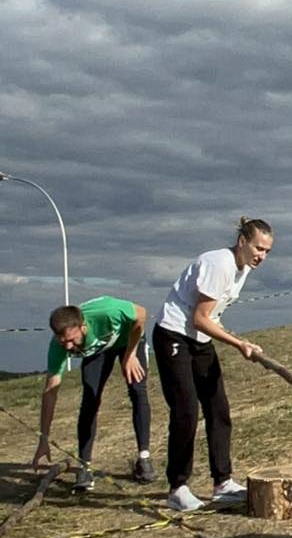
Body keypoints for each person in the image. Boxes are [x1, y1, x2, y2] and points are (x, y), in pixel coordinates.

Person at [152, 218, 273, 513]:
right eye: (258, 248)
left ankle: (223, 483)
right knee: (186, 410)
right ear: (242, 241)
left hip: (200, 339)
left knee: (218, 408)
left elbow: (211, 318)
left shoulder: (243, 269)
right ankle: (177, 487)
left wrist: (242, 341)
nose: (262, 256)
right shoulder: (219, 263)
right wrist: (239, 345)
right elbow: (199, 318)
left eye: (267, 251)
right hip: (173, 334)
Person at [31, 297, 154, 491]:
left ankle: (144, 458)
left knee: (137, 389)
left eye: (72, 340)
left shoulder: (108, 311)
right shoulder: (58, 347)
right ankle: (84, 466)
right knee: (90, 399)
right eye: (63, 341)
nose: (68, 347)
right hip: (98, 350)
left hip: (128, 339)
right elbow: (50, 392)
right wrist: (43, 439)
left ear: (83, 327)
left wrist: (130, 355)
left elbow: (141, 314)